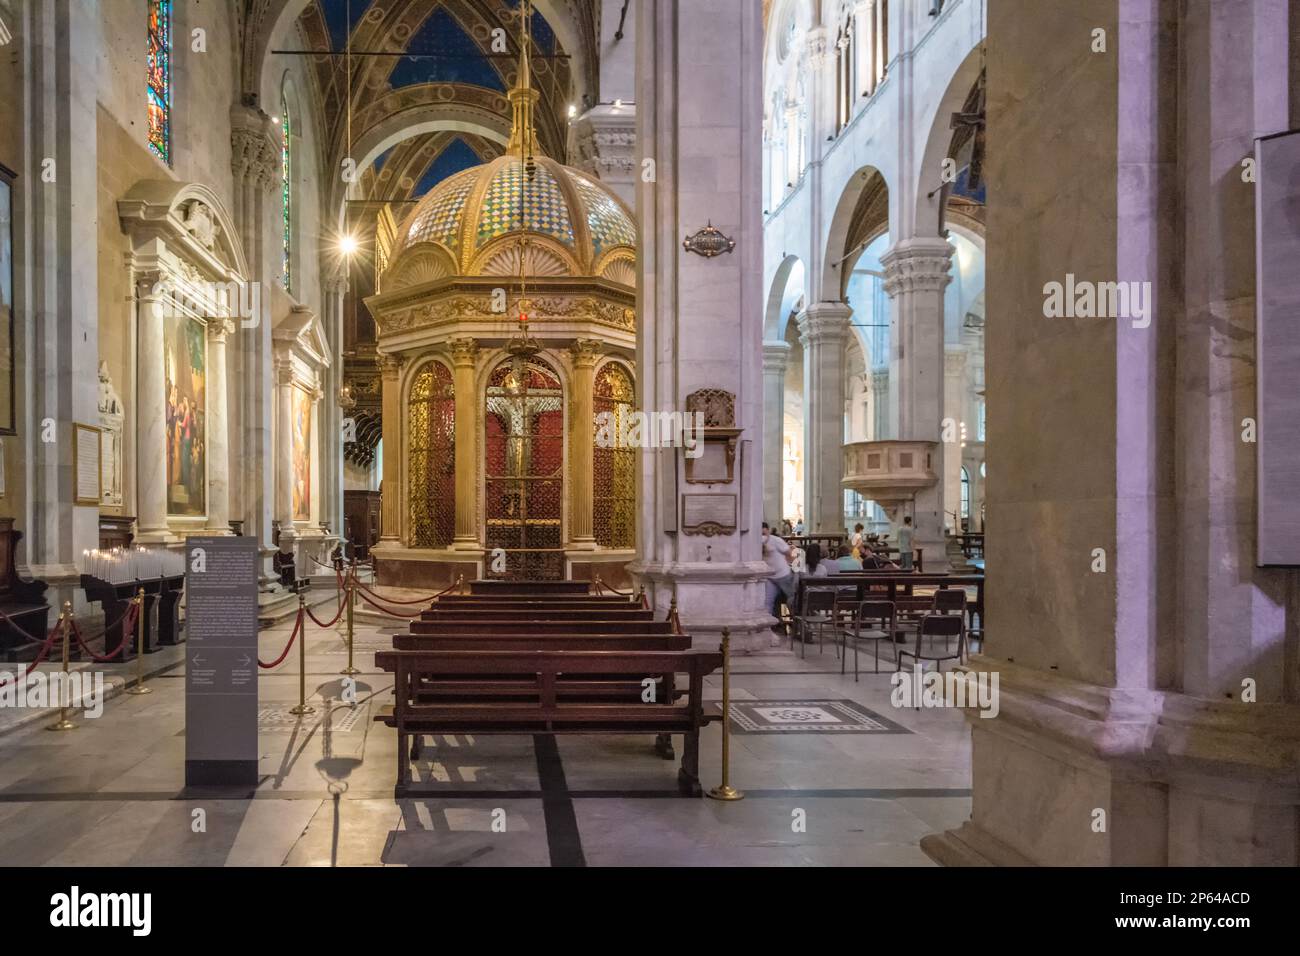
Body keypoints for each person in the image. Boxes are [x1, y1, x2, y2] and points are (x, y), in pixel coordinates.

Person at [761, 521, 796, 620]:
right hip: (769, 577)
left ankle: (797, 623)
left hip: (784, 575)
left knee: (792, 599)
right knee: (767, 601)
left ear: (768, 531)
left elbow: (789, 553)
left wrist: (795, 568)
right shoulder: (756, 543)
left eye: (764, 534)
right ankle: (768, 626)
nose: (762, 537)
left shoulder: (776, 540)